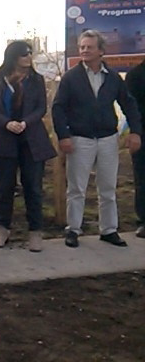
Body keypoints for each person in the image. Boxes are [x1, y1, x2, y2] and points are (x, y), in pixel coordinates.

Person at [52, 30, 142, 248]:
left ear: (101, 51)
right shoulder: (71, 78)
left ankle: (109, 230)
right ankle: (73, 229)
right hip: (80, 139)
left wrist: (135, 132)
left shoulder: (111, 78)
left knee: (108, 187)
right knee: (76, 188)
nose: (84, 50)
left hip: (107, 139)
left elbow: (129, 104)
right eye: (82, 47)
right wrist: (63, 135)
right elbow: (58, 108)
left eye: (89, 47)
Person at [0, 41, 57, 252]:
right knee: (5, 188)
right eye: (25, 53)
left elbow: (41, 107)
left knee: (33, 188)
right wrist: (7, 122)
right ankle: (3, 229)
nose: (28, 57)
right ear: (14, 56)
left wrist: (26, 122)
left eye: (30, 53)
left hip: (31, 139)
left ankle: (35, 232)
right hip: (4, 140)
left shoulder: (36, 80)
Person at [126, 57, 145, 238]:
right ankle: (143, 221)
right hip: (142, 133)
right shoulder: (135, 75)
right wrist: (135, 133)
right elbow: (133, 108)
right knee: (142, 178)